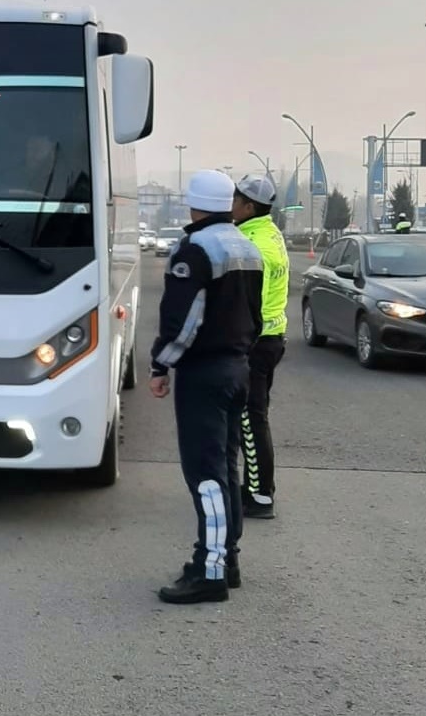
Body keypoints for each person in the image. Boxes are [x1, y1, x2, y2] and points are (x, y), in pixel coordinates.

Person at [150, 169, 263, 604]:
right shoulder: (247, 247)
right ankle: (227, 560)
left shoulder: (195, 250)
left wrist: (161, 365)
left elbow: (184, 322)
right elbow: (253, 314)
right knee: (225, 469)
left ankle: (209, 570)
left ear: (192, 203)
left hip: (204, 374)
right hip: (238, 368)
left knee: (205, 476)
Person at [233, 173, 289, 521]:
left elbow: (245, 303)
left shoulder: (252, 246)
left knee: (251, 421)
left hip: (256, 344)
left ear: (249, 205)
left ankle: (260, 495)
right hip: (271, 339)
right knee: (254, 418)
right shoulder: (270, 234)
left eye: (236, 199)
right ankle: (256, 486)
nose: (232, 204)